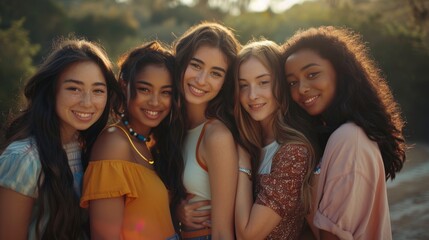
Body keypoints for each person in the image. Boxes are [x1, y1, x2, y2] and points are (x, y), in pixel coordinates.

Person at [282, 26, 407, 239]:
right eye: (292, 82)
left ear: (340, 72)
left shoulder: (350, 138)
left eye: (312, 74)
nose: (301, 88)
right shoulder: (330, 136)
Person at [0, 38, 121, 240]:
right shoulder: (24, 159)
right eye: (74, 88)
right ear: (51, 90)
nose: (87, 102)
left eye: (98, 90)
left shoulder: (92, 149)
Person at [80, 41, 182, 240]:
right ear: (124, 85)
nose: (155, 101)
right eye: (145, 89)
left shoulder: (149, 143)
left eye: (166, 92)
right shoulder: (114, 144)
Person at [232, 39, 316, 239]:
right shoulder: (249, 141)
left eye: (263, 82)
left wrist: (243, 162)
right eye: (243, 85)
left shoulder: (294, 152)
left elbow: (248, 235)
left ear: (281, 83)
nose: (252, 95)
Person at [172, 21, 241, 239]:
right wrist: (176, 212)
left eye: (216, 73)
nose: (202, 80)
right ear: (182, 62)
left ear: (225, 82)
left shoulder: (216, 136)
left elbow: (222, 231)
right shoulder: (172, 125)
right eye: (196, 65)